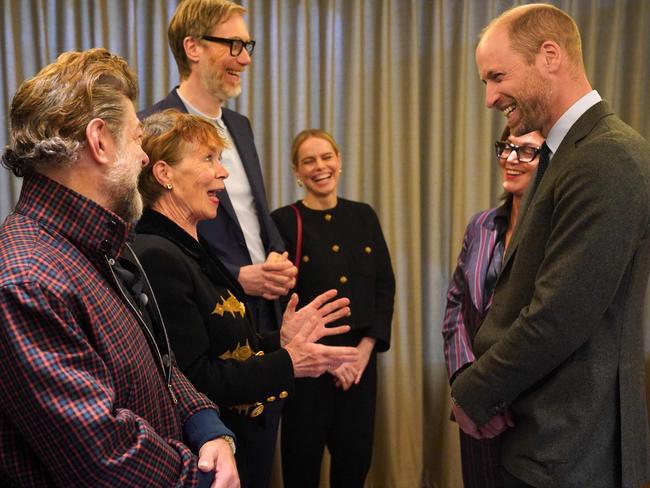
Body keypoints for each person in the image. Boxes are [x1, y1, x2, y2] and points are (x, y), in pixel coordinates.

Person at [0, 48, 239, 488]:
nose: (144, 158)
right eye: (135, 138)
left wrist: (207, 427)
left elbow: (158, 365)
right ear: (100, 141)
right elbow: (104, 458)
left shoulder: (104, 245)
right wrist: (206, 480)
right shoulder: (27, 278)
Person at [450, 4, 650, 488]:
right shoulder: (567, 153)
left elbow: (559, 315)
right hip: (546, 440)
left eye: (497, 76)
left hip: (573, 449)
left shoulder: (607, 156)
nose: (490, 97)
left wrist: (474, 393)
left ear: (550, 55)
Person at [132, 110, 360, 488]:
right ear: (164, 174)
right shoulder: (157, 254)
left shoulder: (188, 246)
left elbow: (227, 343)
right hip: (210, 458)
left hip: (240, 445)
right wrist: (289, 362)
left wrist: (279, 339)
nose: (223, 172)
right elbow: (194, 378)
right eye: (208, 159)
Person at [139, 0, 293, 335]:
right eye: (234, 45)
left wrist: (277, 255)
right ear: (192, 47)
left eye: (247, 45)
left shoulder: (241, 125)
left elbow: (254, 210)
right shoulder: (150, 129)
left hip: (267, 308)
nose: (246, 58)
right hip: (207, 310)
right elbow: (149, 233)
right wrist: (235, 275)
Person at [271, 129, 395, 488]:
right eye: (309, 160)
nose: (319, 166)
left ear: (339, 162)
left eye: (326, 157)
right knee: (301, 466)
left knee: (354, 466)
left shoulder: (364, 216)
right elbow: (280, 302)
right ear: (296, 171)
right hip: (306, 369)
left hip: (359, 365)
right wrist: (327, 359)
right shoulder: (283, 221)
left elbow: (384, 288)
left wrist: (363, 352)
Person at [442, 127, 543, 488]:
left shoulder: (556, 230)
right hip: (474, 404)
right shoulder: (481, 225)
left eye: (526, 151)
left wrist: (497, 392)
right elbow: (456, 307)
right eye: (507, 148)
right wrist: (465, 384)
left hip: (528, 406)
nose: (511, 159)